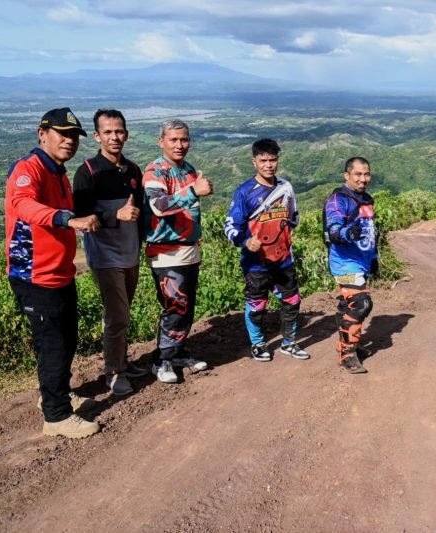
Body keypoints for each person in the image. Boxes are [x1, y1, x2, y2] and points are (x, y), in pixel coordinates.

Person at [5, 107, 101, 438]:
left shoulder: (58, 172)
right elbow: (24, 205)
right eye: (63, 133)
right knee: (53, 344)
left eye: (74, 135)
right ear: (42, 133)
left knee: (66, 339)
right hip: (34, 277)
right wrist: (66, 219)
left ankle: (55, 392)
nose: (69, 140)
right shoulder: (28, 169)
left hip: (59, 274)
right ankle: (56, 416)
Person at [73, 109, 148, 396]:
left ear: (126, 134)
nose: (114, 137)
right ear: (97, 136)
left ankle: (122, 362)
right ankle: (113, 373)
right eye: (108, 132)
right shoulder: (88, 172)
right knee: (117, 316)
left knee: (123, 313)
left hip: (130, 253)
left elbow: (139, 214)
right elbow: (82, 219)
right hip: (105, 257)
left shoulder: (132, 170)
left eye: (119, 131)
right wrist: (115, 214)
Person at [224, 139, 310, 362]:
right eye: (263, 160)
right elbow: (231, 226)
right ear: (254, 162)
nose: (268, 165)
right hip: (256, 263)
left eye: (272, 160)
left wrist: (282, 240)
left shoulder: (286, 187)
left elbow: (293, 218)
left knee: (292, 301)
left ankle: (289, 343)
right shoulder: (244, 192)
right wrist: (245, 241)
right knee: (257, 305)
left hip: (283, 260)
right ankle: (258, 343)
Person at [143, 119, 212, 383]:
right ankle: (161, 360)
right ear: (162, 142)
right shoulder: (156, 171)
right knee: (175, 305)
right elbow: (159, 205)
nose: (180, 145)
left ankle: (178, 352)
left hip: (188, 249)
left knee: (186, 306)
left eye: (184, 139)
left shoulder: (188, 168)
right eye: (173, 140)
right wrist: (194, 190)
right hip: (166, 252)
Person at [323, 157, 378, 374]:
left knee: (349, 306)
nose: (363, 179)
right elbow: (334, 228)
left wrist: (373, 259)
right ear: (347, 175)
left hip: (361, 261)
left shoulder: (366, 199)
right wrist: (347, 233)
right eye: (358, 174)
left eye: (366, 174)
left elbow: (370, 231)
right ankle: (347, 353)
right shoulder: (339, 199)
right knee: (361, 304)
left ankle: (348, 344)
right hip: (344, 263)